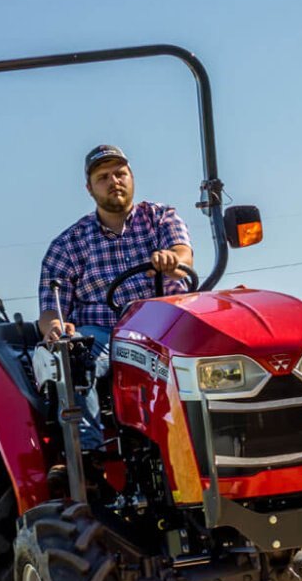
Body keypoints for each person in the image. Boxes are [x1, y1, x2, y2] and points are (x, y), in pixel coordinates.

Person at [38, 145, 194, 451]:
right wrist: (55, 327)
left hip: (168, 328)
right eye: (103, 177)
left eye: (120, 173)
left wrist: (171, 260)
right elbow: (50, 310)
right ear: (90, 188)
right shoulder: (68, 244)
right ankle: (89, 458)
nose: (114, 181)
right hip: (105, 334)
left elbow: (182, 254)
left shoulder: (160, 218)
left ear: (131, 177)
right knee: (74, 357)